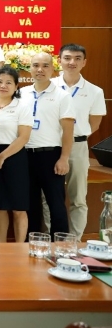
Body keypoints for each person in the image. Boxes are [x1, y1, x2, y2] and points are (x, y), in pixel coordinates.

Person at [51, 44, 106, 240]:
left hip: (78, 146)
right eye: (67, 58)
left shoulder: (95, 91)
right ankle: (49, 239)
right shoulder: (49, 87)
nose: (71, 62)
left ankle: (73, 241)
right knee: (48, 197)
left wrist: (74, 138)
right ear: (59, 60)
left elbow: (94, 124)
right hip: (50, 146)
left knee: (78, 198)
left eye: (77, 58)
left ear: (84, 62)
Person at [21, 52, 75, 237]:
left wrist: (64, 158)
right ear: (30, 68)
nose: (40, 69)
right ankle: (33, 243)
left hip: (51, 155)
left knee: (56, 203)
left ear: (53, 69)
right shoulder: (22, 93)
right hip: (25, 155)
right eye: (36, 65)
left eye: (45, 66)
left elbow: (68, 131)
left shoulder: (62, 96)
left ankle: (60, 245)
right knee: (30, 203)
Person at [0, 66, 32, 243]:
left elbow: (23, 137)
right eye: (0, 81)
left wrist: (2, 156)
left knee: (18, 208)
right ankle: (1, 246)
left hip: (14, 157)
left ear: (16, 86)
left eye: (8, 83)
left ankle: (20, 247)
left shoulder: (22, 106)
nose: (3, 86)